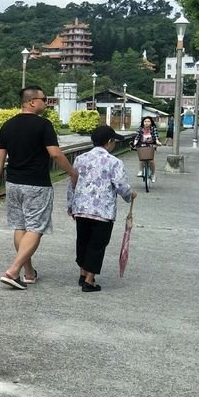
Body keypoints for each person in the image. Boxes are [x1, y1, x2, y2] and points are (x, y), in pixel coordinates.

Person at [0, 86, 80, 290]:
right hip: (37, 184)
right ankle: (13, 271)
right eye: (44, 99)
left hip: (13, 183)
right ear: (32, 102)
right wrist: (73, 173)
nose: (46, 102)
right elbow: (56, 154)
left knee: (20, 227)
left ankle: (28, 272)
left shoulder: (7, 125)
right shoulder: (43, 125)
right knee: (35, 228)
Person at [67, 125, 136, 292]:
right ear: (109, 142)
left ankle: (83, 273)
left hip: (81, 208)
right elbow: (120, 185)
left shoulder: (80, 159)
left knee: (82, 241)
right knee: (97, 245)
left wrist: (70, 205)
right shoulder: (114, 162)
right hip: (102, 211)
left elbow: (72, 183)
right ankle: (89, 281)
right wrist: (130, 195)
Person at [130, 116, 164, 182]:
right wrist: (135, 143)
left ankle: (153, 174)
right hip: (141, 144)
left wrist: (158, 142)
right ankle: (140, 171)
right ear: (143, 122)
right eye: (145, 121)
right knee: (141, 158)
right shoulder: (140, 129)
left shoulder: (153, 128)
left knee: (151, 160)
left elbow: (156, 136)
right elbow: (137, 137)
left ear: (151, 123)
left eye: (148, 121)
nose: (146, 123)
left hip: (151, 145)